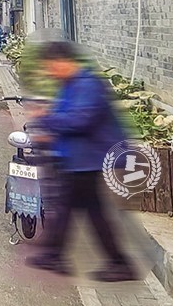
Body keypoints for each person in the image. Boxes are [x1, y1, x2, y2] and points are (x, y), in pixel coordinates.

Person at [25, 40, 137, 282]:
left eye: (50, 66)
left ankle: (118, 263)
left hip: (88, 159)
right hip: (78, 158)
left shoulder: (87, 84)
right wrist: (50, 126)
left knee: (84, 211)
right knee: (77, 209)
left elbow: (80, 120)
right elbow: (66, 116)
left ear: (62, 62)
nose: (49, 72)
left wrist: (45, 118)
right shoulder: (71, 84)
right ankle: (57, 255)